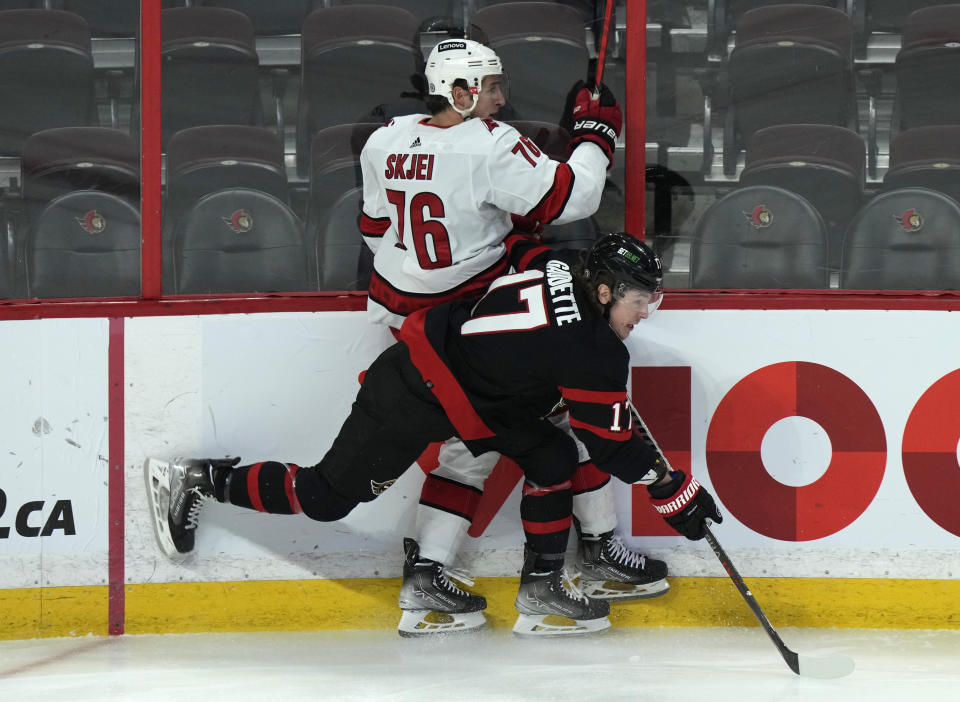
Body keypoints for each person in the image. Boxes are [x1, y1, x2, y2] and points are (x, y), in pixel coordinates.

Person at [146, 233, 724, 637]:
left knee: (550, 454)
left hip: (476, 389)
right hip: (416, 391)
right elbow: (612, 445)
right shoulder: (592, 350)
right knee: (325, 497)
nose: (646, 311)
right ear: (603, 292)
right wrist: (673, 490)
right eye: (640, 299)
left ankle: (542, 588)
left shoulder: (568, 265)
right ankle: (203, 479)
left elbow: (528, 253)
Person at [357, 38, 668, 636]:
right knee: (556, 433)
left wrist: (478, 249)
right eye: (492, 87)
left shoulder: (385, 138)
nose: (502, 97)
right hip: (476, 330)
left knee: (472, 446)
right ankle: (585, 558)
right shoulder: (488, 142)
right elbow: (574, 197)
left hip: (411, 324)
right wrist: (593, 133)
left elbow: (376, 232)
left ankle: (429, 571)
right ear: (460, 91)